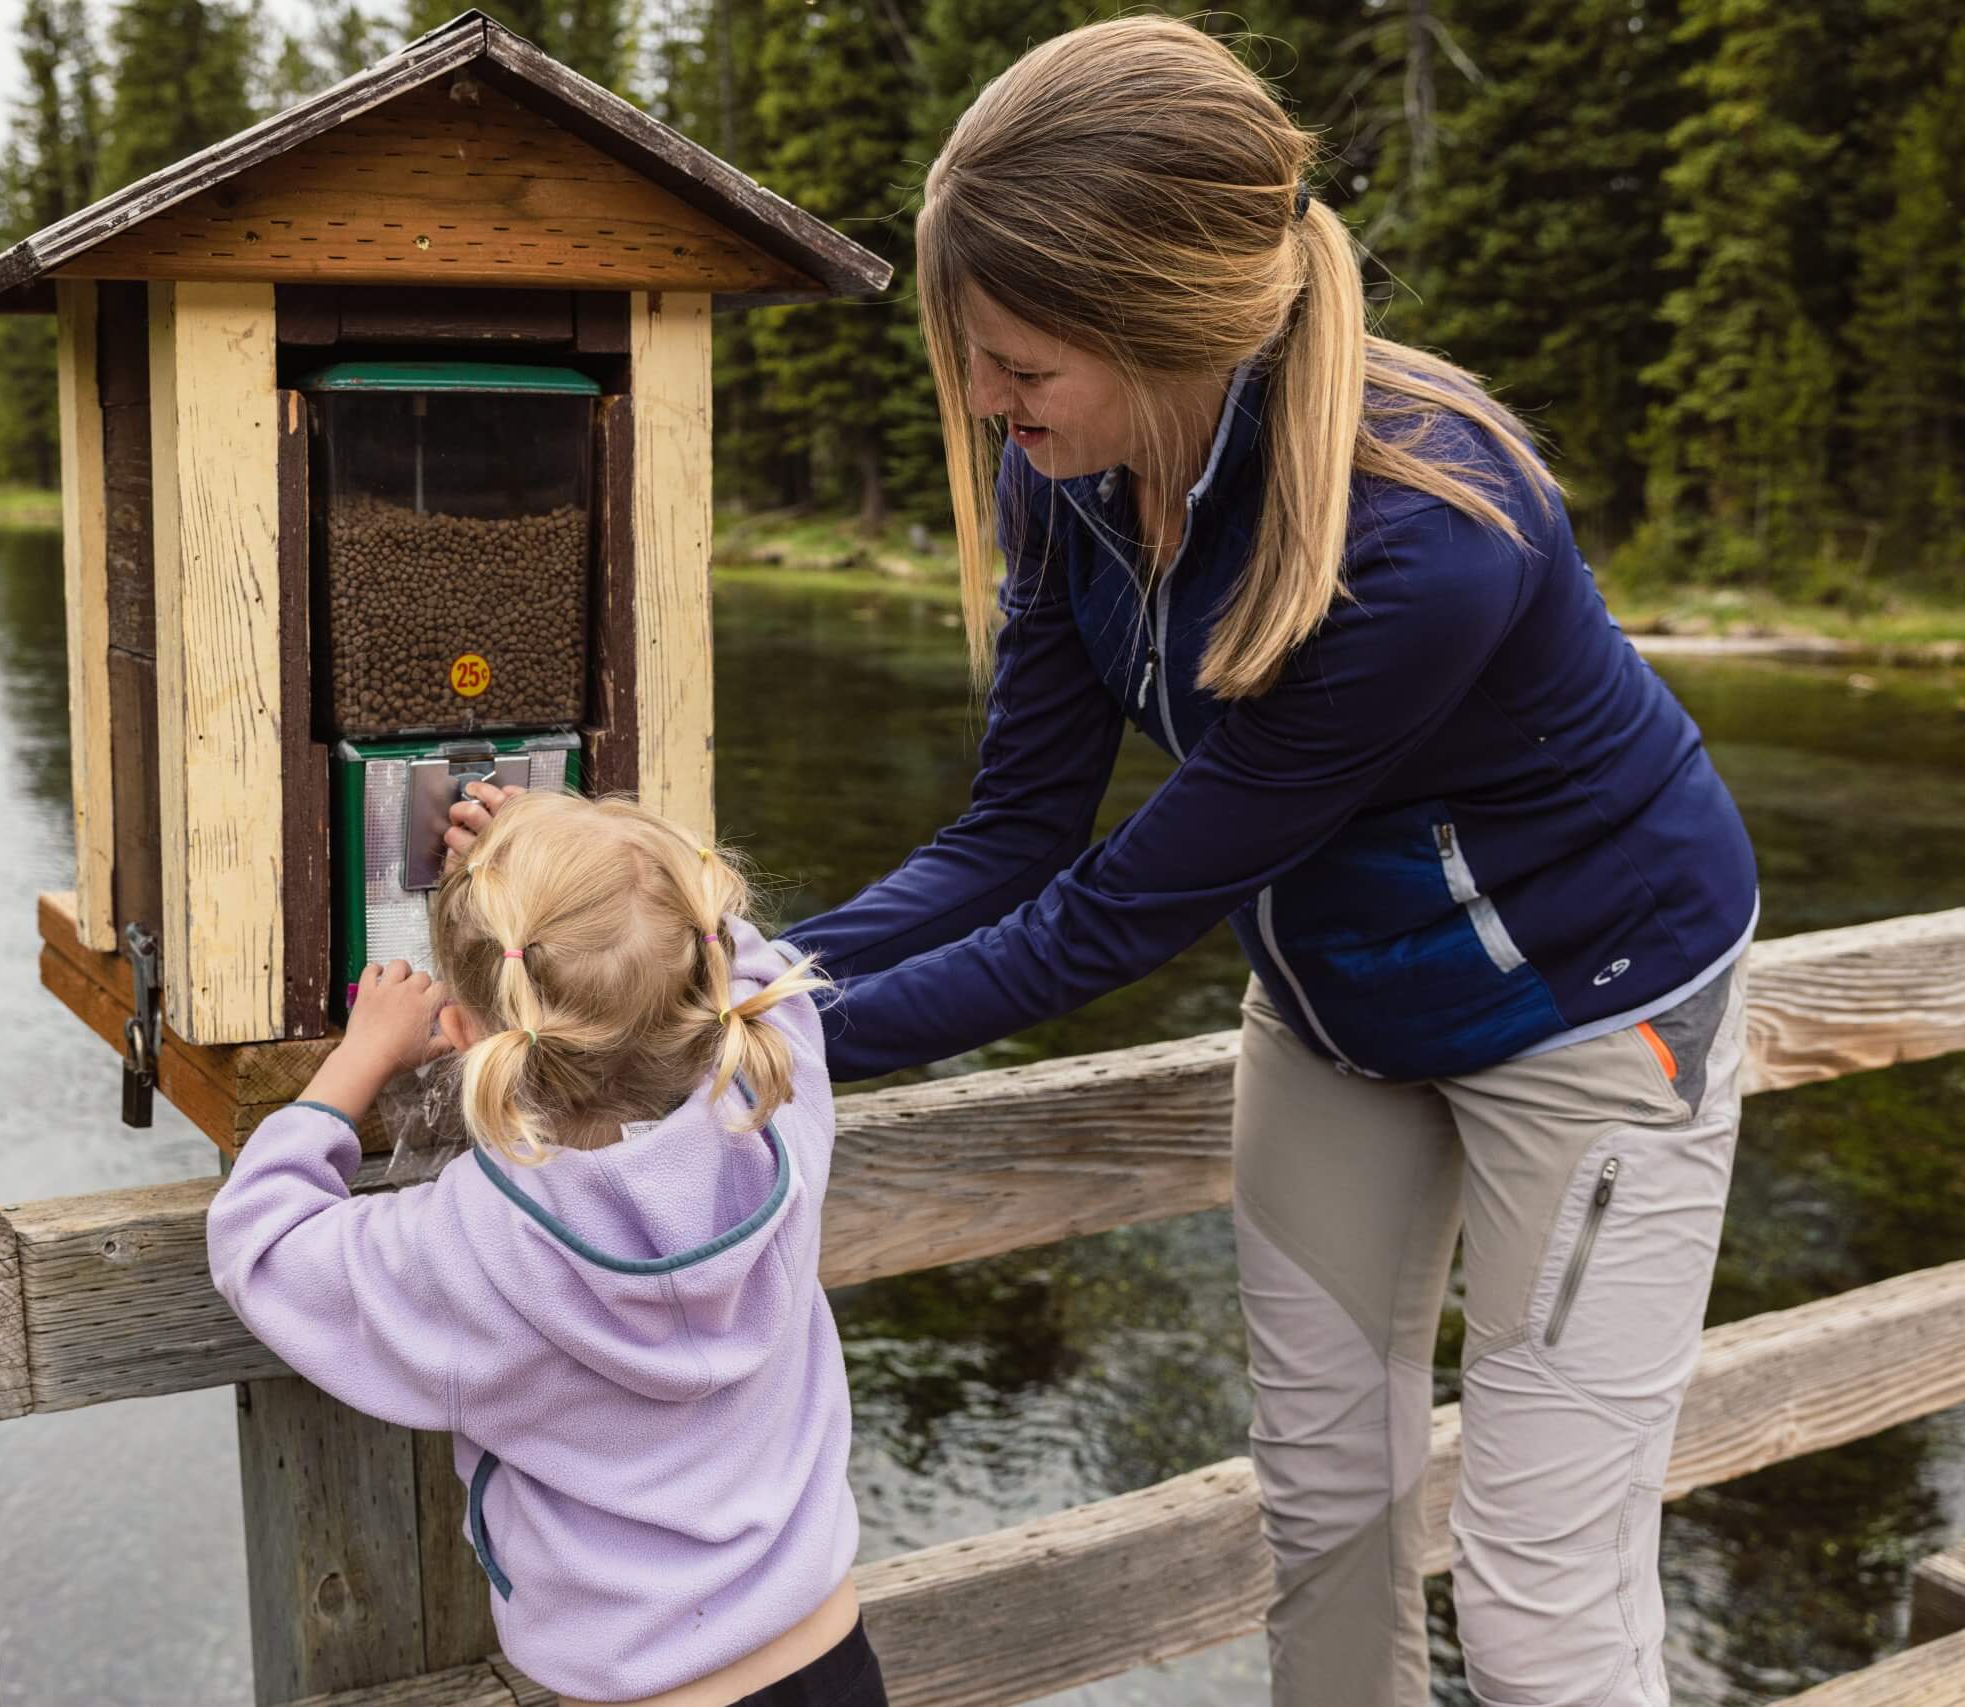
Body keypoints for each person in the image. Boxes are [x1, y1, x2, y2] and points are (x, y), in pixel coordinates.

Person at [456, 17, 1756, 1703]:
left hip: (1599, 1011)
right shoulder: (1069, 469)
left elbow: (1114, 915)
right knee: (1329, 1520)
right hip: (1338, 1009)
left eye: (1018, 360)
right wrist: (709, 977)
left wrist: (736, 1043)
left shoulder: (1428, 537)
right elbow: (1014, 836)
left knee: (1538, 1606)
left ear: (1163, 331)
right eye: (975, 357)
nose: (987, 400)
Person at [207, 791, 882, 1707]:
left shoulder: (477, 1248)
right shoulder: (777, 1113)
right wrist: (588, 846)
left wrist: (359, 1059)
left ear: (461, 1035)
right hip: (829, 1654)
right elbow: (746, 955)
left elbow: (262, 1239)